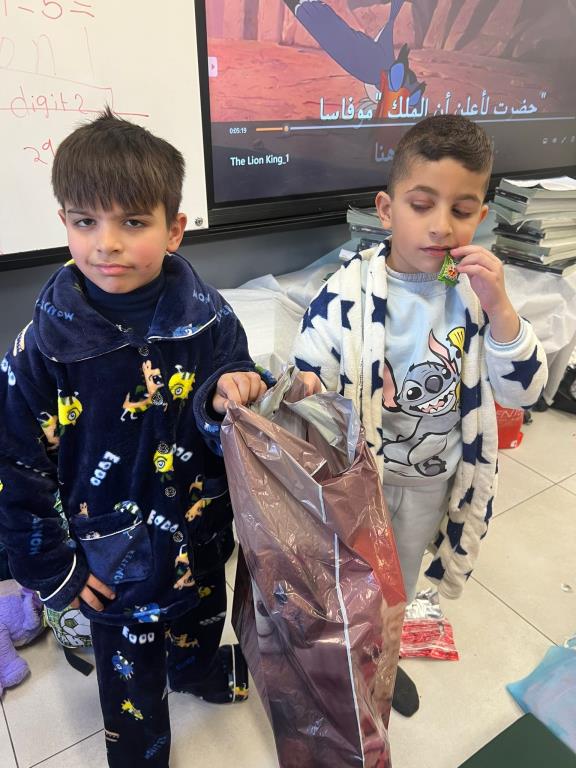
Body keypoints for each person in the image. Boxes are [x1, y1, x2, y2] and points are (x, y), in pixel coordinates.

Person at [0, 108, 272, 768]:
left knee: (202, 622)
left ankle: (198, 672)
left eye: (132, 222)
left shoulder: (208, 315)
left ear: (173, 228)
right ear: (64, 222)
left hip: (201, 530)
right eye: (85, 222)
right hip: (112, 556)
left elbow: (232, 378)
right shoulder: (40, 351)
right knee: (132, 685)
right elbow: (16, 469)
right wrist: (55, 572)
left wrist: (232, 387)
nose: (106, 244)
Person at [292, 114, 548, 716]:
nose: (440, 225)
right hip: (361, 483)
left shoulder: (477, 295)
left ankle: (384, 662)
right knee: (346, 580)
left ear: (482, 216)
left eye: (462, 210)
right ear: (387, 209)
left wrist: (502, 310)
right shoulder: (346, 293)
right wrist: (313, 389)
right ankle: (342, 665)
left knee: (398, 584)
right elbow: (307, 384)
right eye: (422, 204)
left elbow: (524, 392)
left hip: (434, 480)